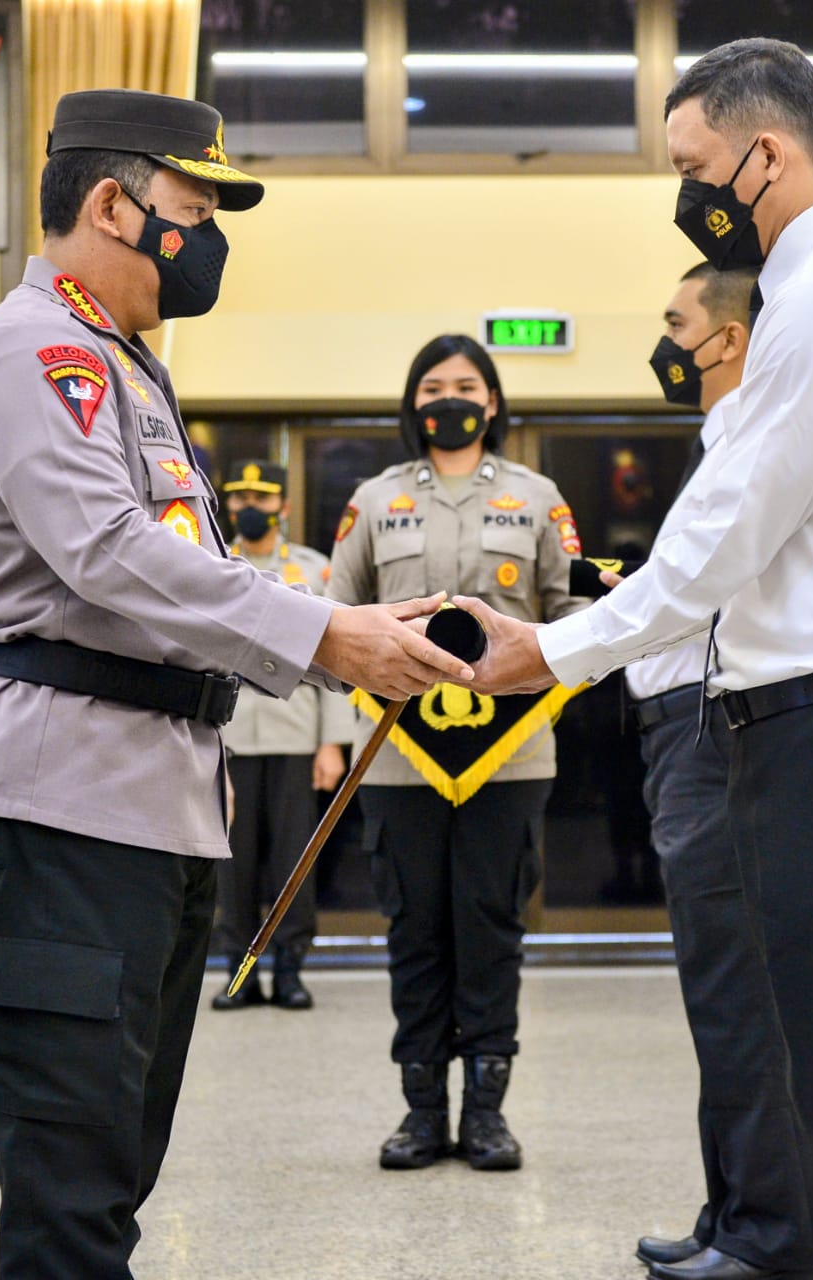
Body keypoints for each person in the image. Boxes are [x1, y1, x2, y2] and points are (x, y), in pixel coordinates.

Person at [449, 39, 813, 1280]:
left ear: (765, 155)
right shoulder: (810, 298)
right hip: (810, 739)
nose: (686, 196)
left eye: (693, 169)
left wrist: (552, 650)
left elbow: (724, 543)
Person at [0, 88, 472, 1280]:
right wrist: (326, 634)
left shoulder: (128, 366)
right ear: (112, 204)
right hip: (67, 807)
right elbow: (106, 551)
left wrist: (328, 634)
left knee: (115, 1170)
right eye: (194, 210)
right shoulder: (37, 349)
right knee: (69, 1193)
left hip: (152, 805)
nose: (208, 240)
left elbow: (183, 579)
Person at [327, 333, 587, 1172]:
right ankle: (420, 1111)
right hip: (397, 756)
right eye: (434, 385)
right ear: (413, 402)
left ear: (493, 402)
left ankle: (486, 1113)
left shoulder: (537, 498)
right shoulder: (374, 500)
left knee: (491, 924)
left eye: (467, 386)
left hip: (511, 753)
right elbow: (336, 617)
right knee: (415, 930)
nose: (451, 399)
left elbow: (574, 619)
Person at [626, 263, 813, 1280]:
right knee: (718, 994)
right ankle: (732, 1210)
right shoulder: (722, 437)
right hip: (681, 733)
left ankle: (767, 1234)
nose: (665, 343)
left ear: (729, 337)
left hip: (712, 733)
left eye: (676, 323)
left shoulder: (750, 433)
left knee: (739, 994)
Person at [211, 459, 354, 1011]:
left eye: (262, 499)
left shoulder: (312, 570)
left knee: (295, 859)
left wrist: (332, 742)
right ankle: (238, 971)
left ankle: (291, 968)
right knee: (233, 862)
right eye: (240, 498)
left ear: (283, 507)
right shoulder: (210, 563)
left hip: (297, 737)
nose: (249, 508)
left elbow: (334, 660)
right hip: (227, 738)